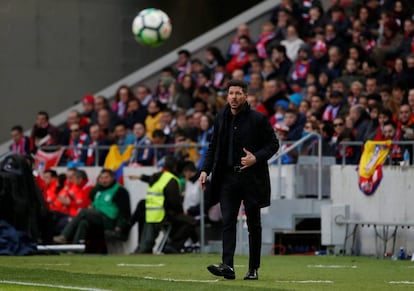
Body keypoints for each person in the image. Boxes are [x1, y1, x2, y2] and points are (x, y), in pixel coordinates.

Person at [199, 79, 279, 280]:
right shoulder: (220, 118)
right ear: (227, 96)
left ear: (245, 96)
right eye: (231, 93)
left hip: (252, 178)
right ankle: (228, 266)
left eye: (238, 93)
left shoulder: (258, 119)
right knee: (228, 221)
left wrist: (256, 158)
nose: (234, 97)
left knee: (253, 224)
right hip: (227, 177)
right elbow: (213, 146)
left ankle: (253, 269)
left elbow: (273, 144)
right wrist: (204, 170)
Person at [129, 155, 198, 253]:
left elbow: (149, 179)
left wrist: (140, 177)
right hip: (165, 215)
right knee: (191, 222)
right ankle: (172, 245)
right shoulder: (172, 180)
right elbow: (174, 202)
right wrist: (181, 212)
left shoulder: (156, 177)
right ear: (175, 167)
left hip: (151, 215)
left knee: (145, 246)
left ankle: (142, 250)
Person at [54, 169, 131, 244]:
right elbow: (91, 196)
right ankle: (76, 248)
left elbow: (124, 211)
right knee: (83, 222)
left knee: (84, 212)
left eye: (106, 177)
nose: (104, 180)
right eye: (102, 178)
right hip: (98, 217)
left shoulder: (119, 190)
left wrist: (119, 226)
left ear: (113, 178)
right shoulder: (100, 189)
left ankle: (64, 235)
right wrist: (98, 185)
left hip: (109, 219)